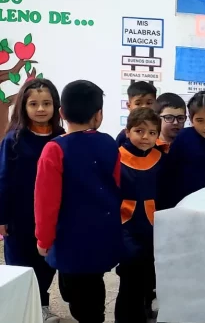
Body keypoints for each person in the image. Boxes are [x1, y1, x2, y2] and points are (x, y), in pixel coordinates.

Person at [34, 80, 122, 323]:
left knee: (79, 292)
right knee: (91, 282)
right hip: (103, 232)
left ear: (61, 113)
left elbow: (45, 202)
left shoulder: (54, 149)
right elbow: (116, 186)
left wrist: (43, 238)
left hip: (70, 237)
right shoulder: (108, 143)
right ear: (99, 115)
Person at [0, 78, 64, 323]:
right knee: (19, 265)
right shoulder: (13, 140)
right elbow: (3, 180)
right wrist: (1, 217)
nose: (40, 109)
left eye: (46, 103)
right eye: (34, 104)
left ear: (56, 107)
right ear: (23, 107)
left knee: (46, 263)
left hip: (50, 217)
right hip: (19, 216)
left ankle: (42, 305)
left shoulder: (62, 138)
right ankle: (17, 309)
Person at [115, 107, 164, 323]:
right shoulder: (117, 157)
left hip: (153, 224)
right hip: (125, 224)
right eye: (139, 131)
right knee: (129, 276)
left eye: (152, 132)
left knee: (148, 273)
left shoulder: (160, 158)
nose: (146, 137)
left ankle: (144, 311)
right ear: (128, 132)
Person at [117, 82, 157, 146]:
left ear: (156, 104)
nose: (144, 107)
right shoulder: (122, 137)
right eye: (138, 104)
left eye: (149, 103)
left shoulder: (159, 132)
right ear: (129, 106)